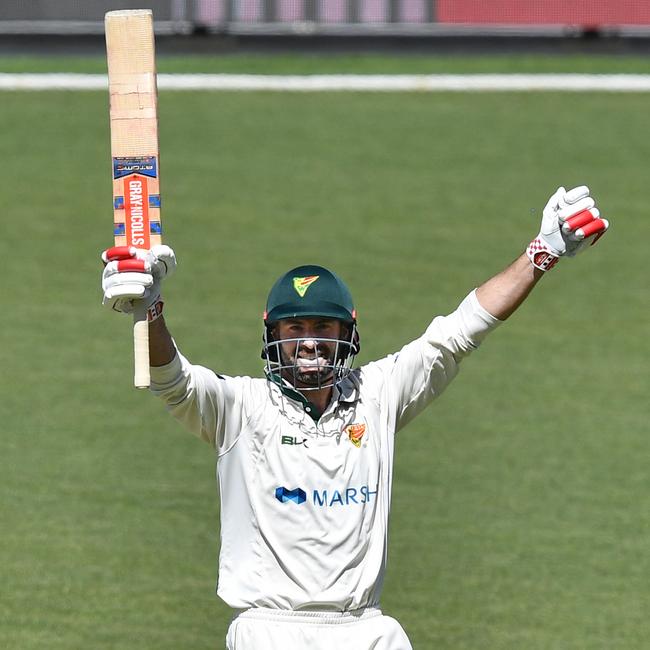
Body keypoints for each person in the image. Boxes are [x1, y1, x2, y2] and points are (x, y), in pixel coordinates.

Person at [101, 185, 609, 649]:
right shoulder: (241, 409)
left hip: (367, 630)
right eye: (293, 326)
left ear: (349, 331)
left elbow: (460, 331)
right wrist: (149, 311)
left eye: (322, 325)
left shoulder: (379, 394)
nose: (308, 341)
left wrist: (542, 254)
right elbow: (174, 380)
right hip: (271, 630)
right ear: (270, 333)